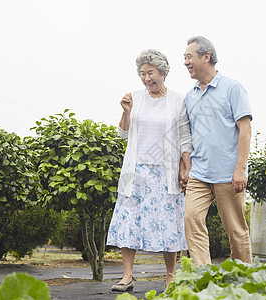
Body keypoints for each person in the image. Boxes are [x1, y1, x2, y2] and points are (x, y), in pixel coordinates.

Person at [106, 49, 192, 292]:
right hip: (134, 170)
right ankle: (127, 276)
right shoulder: (135, 97)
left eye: (150, 73)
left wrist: (186, 167)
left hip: (164, 172)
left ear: (162, 73)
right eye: (142, 73)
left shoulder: (178, 99)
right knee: (128, 220)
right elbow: (123, 132)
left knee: (168, 222)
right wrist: (126, 111)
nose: (146, 78)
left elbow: (185, 137)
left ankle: (170, 276)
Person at [180, 36, 253, 266]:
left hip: (228, 173)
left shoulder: (232, 88)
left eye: (189, 57)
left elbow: (245, 129)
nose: (185, 62)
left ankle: (243, 280)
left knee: (236, 231)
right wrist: (185, 168)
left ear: (206, 56)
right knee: (191, 220)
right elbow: (188, 136)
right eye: (184, 58)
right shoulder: (190, 96)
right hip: (199, 173)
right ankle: (204, 276)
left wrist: (240, 169)